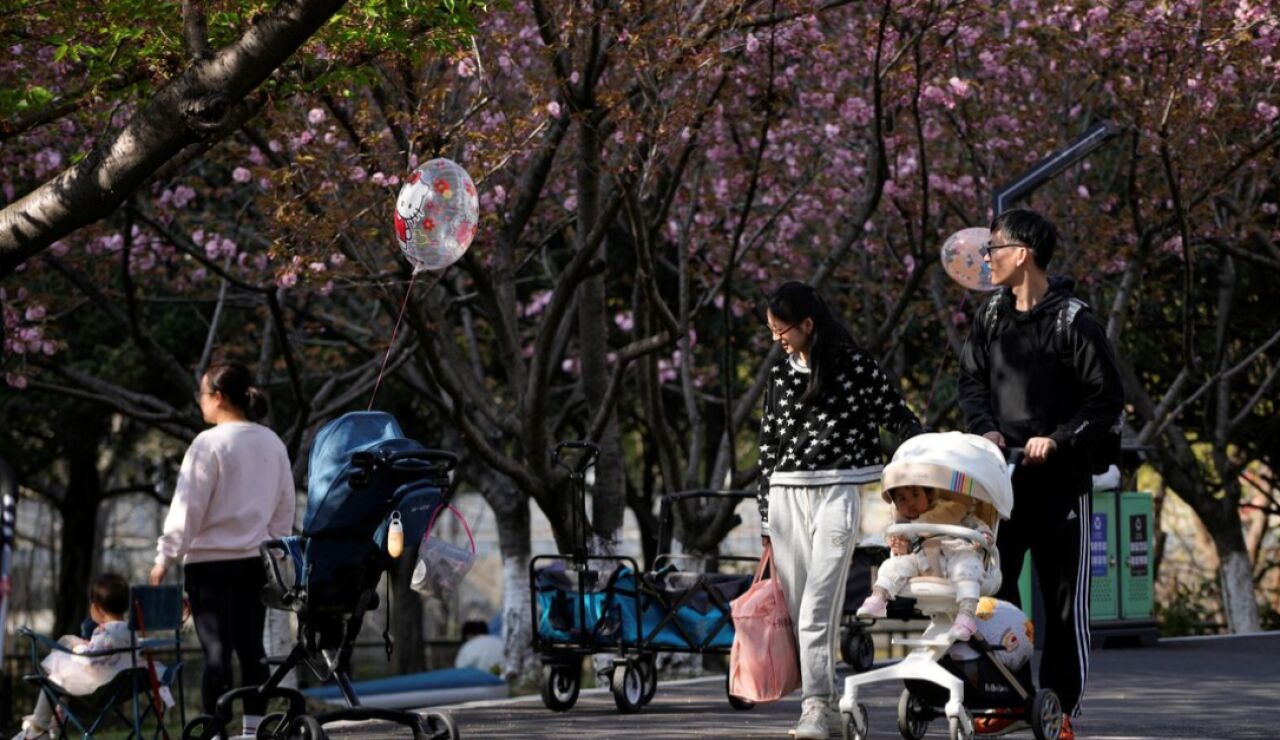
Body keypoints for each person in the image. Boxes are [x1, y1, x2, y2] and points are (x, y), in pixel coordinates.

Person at [958, 209, 1124, 739]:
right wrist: (985, 429)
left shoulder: (1075, 322)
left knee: (1062, 604)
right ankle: (1009, 699)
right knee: (997, 594)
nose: (987, 258)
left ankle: (1059, 707)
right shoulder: (989, 316)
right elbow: (971, 383)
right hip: (1001, 484)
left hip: (1062, 486)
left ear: (1022, 253)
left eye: (994, 248)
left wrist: (1059, 438)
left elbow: (1106, 401)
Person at [756, 281, 923, 740]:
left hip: (842, 493)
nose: (776, 339)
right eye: (771, 330)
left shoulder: (857, 367)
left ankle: (813, 707)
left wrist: (928, 453)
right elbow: (768, 446)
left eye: (781, 330)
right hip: (786, 497)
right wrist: (765, 515)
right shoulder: (780, 376)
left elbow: (898, 416)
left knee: (817, 607)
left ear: (808, 324)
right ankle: (826, 707)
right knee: (800, 612)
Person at [150, 362, 296, 739]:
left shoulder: (208, 444)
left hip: (209, 566)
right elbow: (285, 504)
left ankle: (215, 731)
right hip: (255, 563)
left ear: (217, 397)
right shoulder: (272, 442)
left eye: (201, 394)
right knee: (252, 651)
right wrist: (276, 549)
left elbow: (188, 509)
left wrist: (165, 557)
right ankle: (253, 730)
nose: (199, 401)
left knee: (217, 654)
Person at [12, 574, 160, 740]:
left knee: (54, 675)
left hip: (98, 687)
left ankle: (39, 727)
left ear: (97, 609)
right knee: (64, 659)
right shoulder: (131, 630)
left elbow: (90, 660)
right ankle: (54, 720)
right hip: (119, 684)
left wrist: (79, 648)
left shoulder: (104, 632)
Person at [855, 484, 994, 640]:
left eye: (915, 495)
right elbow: (902, 548)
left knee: (967, 563)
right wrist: (902, 548)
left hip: (954, 555)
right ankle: (879, 597)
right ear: (896, 505)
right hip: (922, 564)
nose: (910, 502)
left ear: (929, 495)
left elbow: (977, 526)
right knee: (893, 565)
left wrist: (983, 536)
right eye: (902, 499)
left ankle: (967, 614)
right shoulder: (904, 526)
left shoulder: (952, 511)